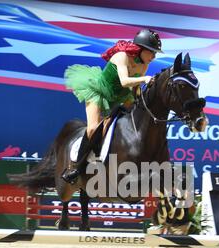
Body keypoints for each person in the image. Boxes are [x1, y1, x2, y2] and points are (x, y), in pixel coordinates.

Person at [62, 29, 163, 184]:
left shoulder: (144, 66)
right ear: (141, 49)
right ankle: (76, 168)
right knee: (92, 129)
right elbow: (124, 81)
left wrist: (140, 101)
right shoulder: (121, 56)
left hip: (120, 97)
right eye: (152, 52)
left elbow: (135, 90)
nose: (154, 57)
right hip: (99, 93)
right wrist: (145, 79)